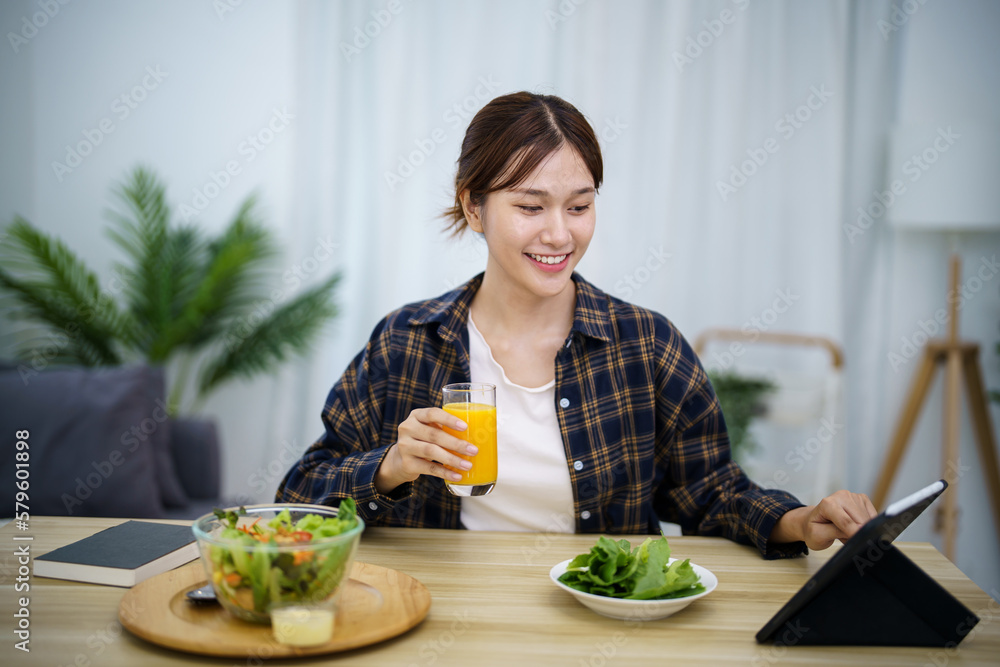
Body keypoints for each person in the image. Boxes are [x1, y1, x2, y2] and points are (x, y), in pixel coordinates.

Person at [276, 91, 876, 558]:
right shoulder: (406, 342)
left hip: (599, 625)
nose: (560, 234)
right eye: (530, 207)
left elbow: (712, 492)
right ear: (473, 206)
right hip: (443, 618)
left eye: (580, 206)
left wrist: (801, 521)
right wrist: (390, 469)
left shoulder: (645, 345)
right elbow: (298, 497)